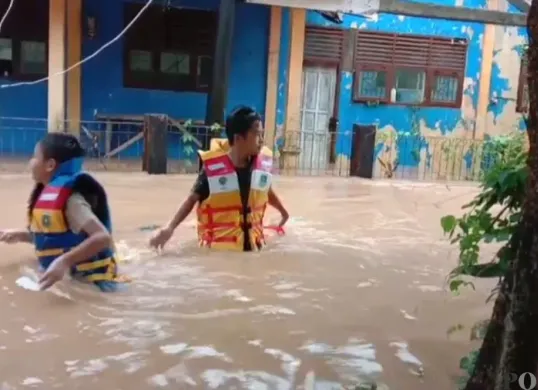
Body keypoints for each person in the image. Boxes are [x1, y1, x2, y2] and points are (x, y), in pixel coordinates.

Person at [149, 106, 289, 251]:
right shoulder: (212, 170)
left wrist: (283, 212)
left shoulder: (260, 166)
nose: (261, 140)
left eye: (262, 134)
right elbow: (191, 200)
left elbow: (266, 190)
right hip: (221, 252)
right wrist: (170, 228)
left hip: (255, 247)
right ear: (238, 138)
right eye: (256, 134)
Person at [0, 133, 126, 292]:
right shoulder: (50, 195)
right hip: (70, 276)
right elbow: (56, 237)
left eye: (35, 157)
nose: (31, 162)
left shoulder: (71, 202)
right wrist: (21, 235)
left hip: (92, 283)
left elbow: (102, 237)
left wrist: (64, 262)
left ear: (50, 165)